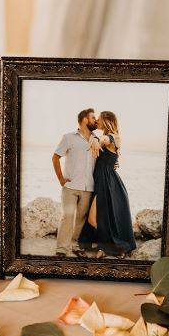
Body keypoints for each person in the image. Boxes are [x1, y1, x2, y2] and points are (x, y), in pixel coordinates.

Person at [78, 110, 136, 258]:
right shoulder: (101, 136)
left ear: (106, 120)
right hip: (101, 181)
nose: (96, 121)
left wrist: (97, 139)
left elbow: (105, 140)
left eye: (99, 119)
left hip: (107, 182)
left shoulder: (113, 137)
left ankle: (111, 247)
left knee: (94, 218)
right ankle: (107, 246)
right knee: (98, 218)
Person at [52, 108, 99, 257]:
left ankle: (75, 245)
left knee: (81, 219)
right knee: (67, 216)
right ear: (85, 119)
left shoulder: (96, 139)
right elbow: (55, 157)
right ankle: (61, 249)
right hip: (70, 186)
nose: (95, 120)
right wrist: (61, 179)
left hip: (88, 187)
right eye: (93, 117)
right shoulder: (68, 138)